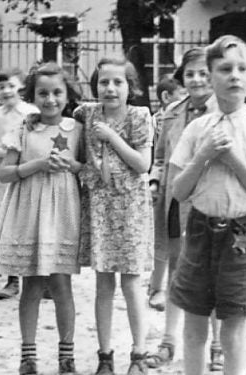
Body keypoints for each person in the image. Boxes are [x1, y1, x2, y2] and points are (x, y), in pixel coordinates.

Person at [0, 62, 83, 375]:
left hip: (63, 214)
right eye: (42, 93)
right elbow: (4, 173)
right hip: (30, 213)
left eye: (57, 92)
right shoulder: (23, 129)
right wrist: (38, 164)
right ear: (32, 95)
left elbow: (88, 169)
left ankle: (66, 355)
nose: (50, 99)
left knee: (61, 285)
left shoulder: (77, 129)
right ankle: (28, 355)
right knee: (31, 285)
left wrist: (72, 165)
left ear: (68, 94)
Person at [169, 34, 246, 375]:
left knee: (233, 325)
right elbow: (178, 191)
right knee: (195, 321)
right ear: (209, 75)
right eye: (224, 69)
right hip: (201, 230)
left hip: (242, 235)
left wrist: (232, 158)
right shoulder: (197, 128)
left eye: (242, 68)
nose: (234, 75)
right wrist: (203, 155)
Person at [74, 57, 153, 375]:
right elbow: (72, 144)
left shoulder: (139, 116)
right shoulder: (86, 113)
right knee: (103, 283)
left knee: (132, 283)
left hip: (130, 208)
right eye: (104, 82)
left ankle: (139, 354)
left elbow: (142, 164)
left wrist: (112, 137)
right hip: (101, 207)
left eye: (118, 82)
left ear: (130, 87)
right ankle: (105, 355)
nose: (110, 88)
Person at [146, 47, 222, 371]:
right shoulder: (172, 113)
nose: (197, 79)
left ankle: (217, 346)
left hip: (214, 201)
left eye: (204, 73)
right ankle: (168, 342)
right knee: (179, 271)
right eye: (190, 74)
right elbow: (160, 157)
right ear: (181, 78)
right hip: (177, 201)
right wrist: (153, 181)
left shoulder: (226, 112)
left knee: (215, 272)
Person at [0, 68, 38, 299]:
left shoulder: (31, 113)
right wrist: (2, 153)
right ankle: (12, 281)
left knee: (31, 226)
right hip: (3, 181)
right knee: (7, 228)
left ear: (21, 88)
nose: (6, 91)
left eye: (11, 86)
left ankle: (39, 282)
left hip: (29, 178)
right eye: (1, 87)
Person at [147, 75, 186, 312]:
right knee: (165, 241)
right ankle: (157, 288)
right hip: (170, 184)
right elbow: (159, 155)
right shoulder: (165, 117)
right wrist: (154, 181)